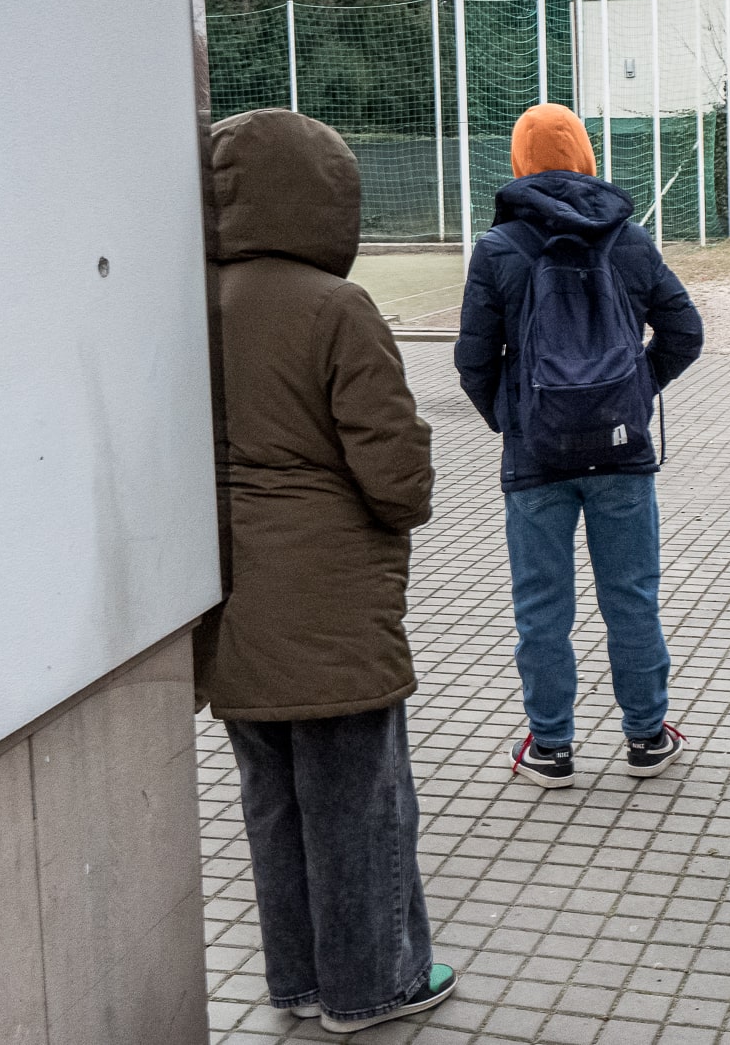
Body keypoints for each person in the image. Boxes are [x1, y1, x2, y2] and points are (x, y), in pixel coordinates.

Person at [193, 109, 456, 1033]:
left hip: (228, 599)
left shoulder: (189, 298)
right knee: (360, 806)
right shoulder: (335, 308)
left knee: (273, 806)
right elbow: (393, 475)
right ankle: (373, 984)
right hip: (333, 604)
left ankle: (298, 982)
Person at [454, 103, 705, 788]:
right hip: (622, 451)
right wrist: (635, 388)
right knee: (632, 596)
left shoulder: (499, 248)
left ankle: (552, 747)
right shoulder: (629, 238)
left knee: (541, 607)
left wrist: (515, 415)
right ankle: (647, 736)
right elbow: (687, 333)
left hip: (536, 457)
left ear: (518, 162)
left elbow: (472, 360)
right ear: (588, 156)